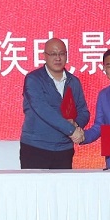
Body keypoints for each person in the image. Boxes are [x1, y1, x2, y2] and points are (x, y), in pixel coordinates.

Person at [20, 38, 90, 169]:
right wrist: (71, 130)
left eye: (62, 53)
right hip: (36, 147)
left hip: (64, 149)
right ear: (44, 56)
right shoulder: (33, 79)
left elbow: (83, 111)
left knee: (63, 183)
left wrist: (76, 124)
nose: (58, 58)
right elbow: (43, 110)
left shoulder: (74, 81)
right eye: (53, 54)